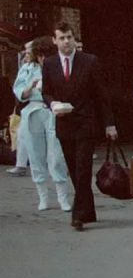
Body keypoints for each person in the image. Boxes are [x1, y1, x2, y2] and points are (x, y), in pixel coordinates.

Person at [41, 22, 116, 231]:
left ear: (74, 39)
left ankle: (78, 215)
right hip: (64, 122)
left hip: (86, 123)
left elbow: (102, 95)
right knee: (74, 170)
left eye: (69, 38)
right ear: (54, 40)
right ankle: (88, 209)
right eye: (62, 38)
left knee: (83, 169)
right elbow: (46, 92)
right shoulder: (49, 64)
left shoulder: (89, 61)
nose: (66, 42)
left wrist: (109, 123)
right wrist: (52, 103)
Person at [13, 37, 71, 211]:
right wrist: (31, 86)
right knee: (35, 154)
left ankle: (63, 197)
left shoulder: (57, 67)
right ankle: (43, 197)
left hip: (53, 111)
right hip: (33, 110)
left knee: (56, 155)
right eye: (39, 55)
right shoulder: (27, 69)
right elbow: (19, 92)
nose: (41, 59)